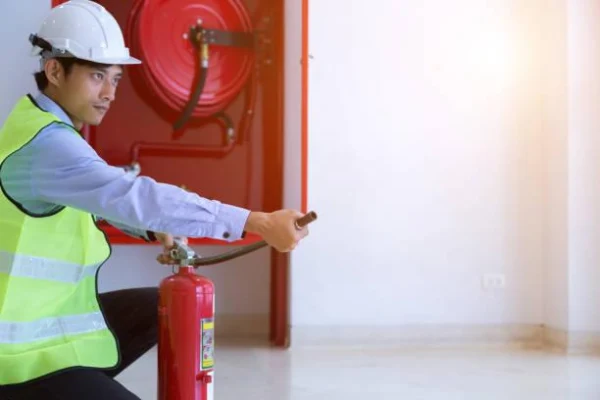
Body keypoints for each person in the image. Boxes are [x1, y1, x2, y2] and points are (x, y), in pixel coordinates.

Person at [0, 0, 309, 398]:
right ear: (55, 71)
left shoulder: (43, 127)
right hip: (15, 360)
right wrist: (258, 221)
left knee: (160, 305)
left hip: (42, 324)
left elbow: (101, 201)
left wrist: (152, 227)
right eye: (97, 76)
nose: (109, 93)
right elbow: (134, 196)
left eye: (115, 79)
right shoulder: (48, 145)